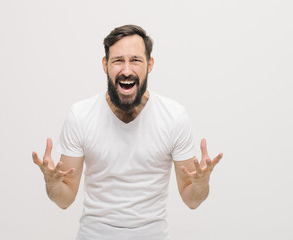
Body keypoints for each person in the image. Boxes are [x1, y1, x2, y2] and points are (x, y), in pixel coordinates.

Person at [32, 24, 223, 239]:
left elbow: (192, 200)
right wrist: (53, 184)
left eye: (135, 60)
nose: (126, 70)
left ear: (149, 64)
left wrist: (201, 185)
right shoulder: (80, 115)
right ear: (105, 65)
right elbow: (64, 200)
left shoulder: (174, 117)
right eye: (118, 61)